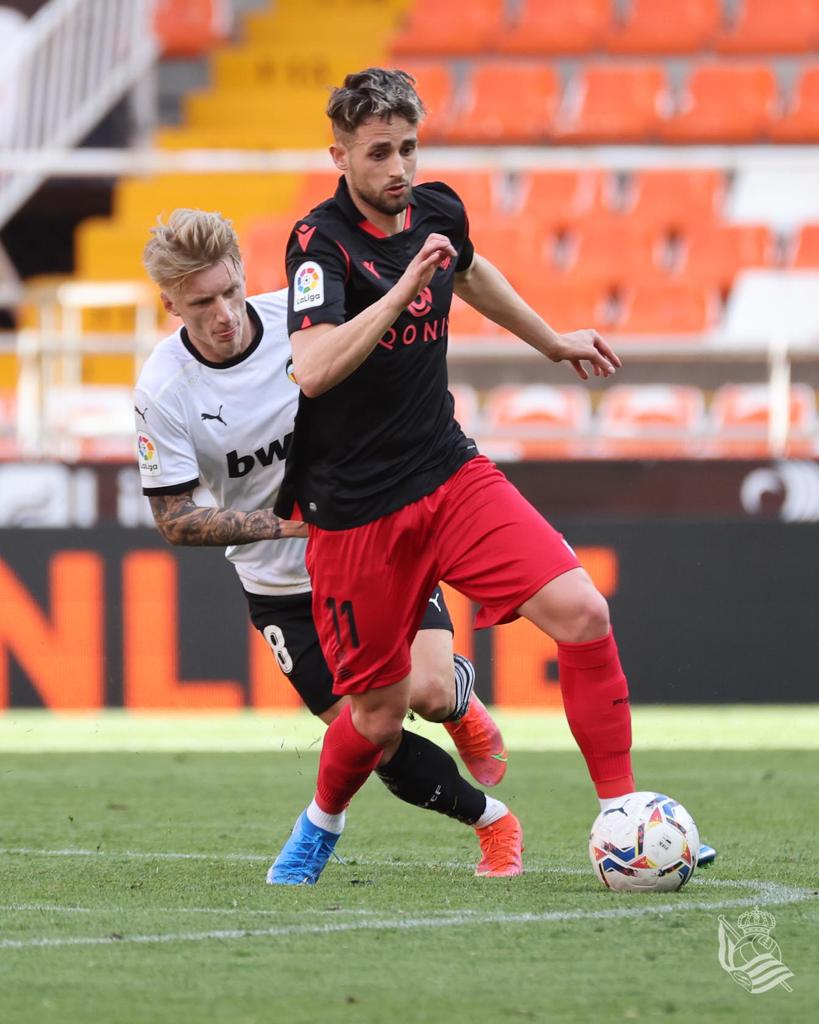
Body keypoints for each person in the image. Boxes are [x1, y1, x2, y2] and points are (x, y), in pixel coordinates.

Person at [271, 66, 716, 884]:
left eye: (408, 147)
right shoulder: (317, 244)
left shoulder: (437, 209)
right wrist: (403, 287)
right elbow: (314, 367)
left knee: (582, 612)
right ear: (340, 156)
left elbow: (469, 272)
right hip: (356, 510)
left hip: (447, 473)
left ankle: (620, 810)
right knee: (377, 714)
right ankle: (320, 821)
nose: (399, 168)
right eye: (378, 153)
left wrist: (550, 340)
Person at [134, 208, 521, 882]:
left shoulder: (303, 321)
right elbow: (174, 518)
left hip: (374, 546)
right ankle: (495, 823)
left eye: (229, 291)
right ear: (170, 304)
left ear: (242, 274)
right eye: (201, 304)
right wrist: (289, 525)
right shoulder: (163, 390)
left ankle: (458, 698)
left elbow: (403, 331)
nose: (223, 314)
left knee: (429, 693)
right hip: (281, 587)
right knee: (375, 735)